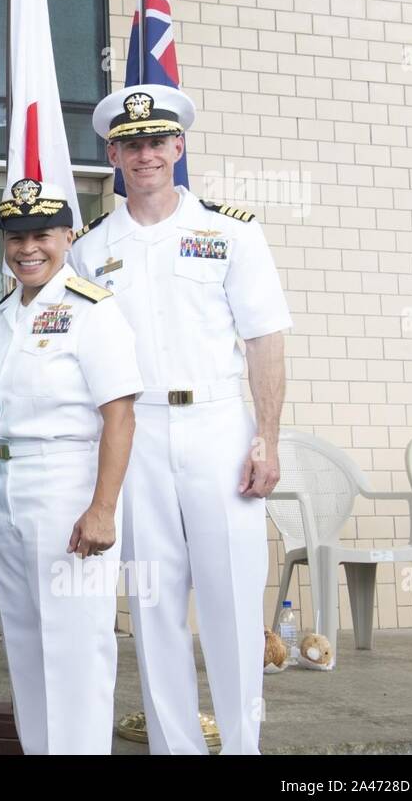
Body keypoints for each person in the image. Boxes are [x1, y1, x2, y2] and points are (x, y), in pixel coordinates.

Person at [70, 84, 291, 755]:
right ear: (113, 153)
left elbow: (265, 339)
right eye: (130, 144)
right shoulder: (90, 249)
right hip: (134, 433)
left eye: (156, 141)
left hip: (219, 426)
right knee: (155, 605)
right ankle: (175, 747)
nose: (145, 154)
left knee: (230, 599)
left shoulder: (230, 232)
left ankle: (243, 743)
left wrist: (267, 437)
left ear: (178, 146)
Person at [0, 177, 142, 754]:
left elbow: (119, 415)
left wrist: (102, 509)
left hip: (70, 487)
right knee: (25, 644)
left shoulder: (93, 310)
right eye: (14, 237)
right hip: (11, 491)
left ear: (68, 236)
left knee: (75, 646)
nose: (27, 248)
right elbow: (2, 416)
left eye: (41, 234)